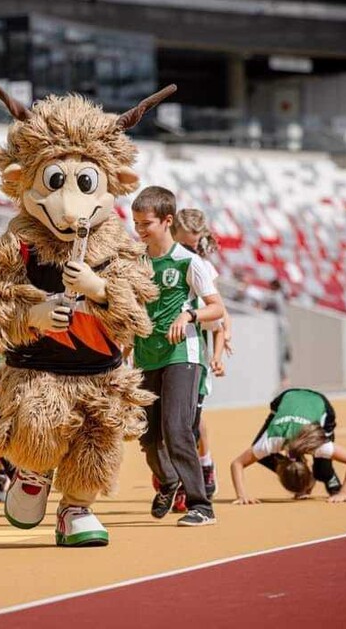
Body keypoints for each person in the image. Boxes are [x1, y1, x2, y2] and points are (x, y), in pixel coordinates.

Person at [132, 187, 226, 527]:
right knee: (146, 434)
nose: (139, 230)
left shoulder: (191, 262)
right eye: (136, 223)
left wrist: (188, 316)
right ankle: (169, 483)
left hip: (182, 355)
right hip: (145, 355)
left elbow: (217, 308)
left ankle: (201, 505)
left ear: (167, 221)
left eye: (146, 223)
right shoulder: (135, 262)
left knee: (177, 428)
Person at [169, 208, 232, 509]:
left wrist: (220, 348)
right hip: (162, 352)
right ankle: (184, 472)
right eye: (185, 244)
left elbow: (219, 312)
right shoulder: (163, 258)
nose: (189, 250)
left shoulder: (200, 265)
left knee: (189, 423)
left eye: (193, 245)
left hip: (194, 354)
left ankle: (197, 471)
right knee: (172, 420)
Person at [230, 388, 346, 503]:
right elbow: (237, 464)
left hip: (320, 403)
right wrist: (242, 495)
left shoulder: (317, 445)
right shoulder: (270, 442)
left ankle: (330, 478)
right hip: (286, 397)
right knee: (260, 454)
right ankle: (301, 479)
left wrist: (344, 493)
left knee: (322, 470)